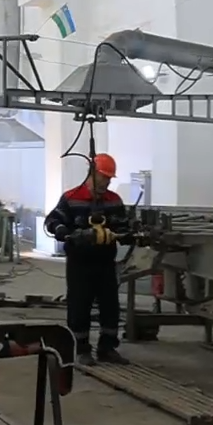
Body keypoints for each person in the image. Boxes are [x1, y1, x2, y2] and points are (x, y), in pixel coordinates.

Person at [43, 153, 130, 365]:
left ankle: (107, 348)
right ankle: (80, 349)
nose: (106, 182)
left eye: (109, 178)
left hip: (105, 262)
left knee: (110, 305)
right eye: (103, 177)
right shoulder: (71, 198)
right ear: (92, 172)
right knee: (79, 305)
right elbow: (52, 221)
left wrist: (126, 234)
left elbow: (123, 226)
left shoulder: (114, 201)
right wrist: (63, 231)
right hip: (80, 262)